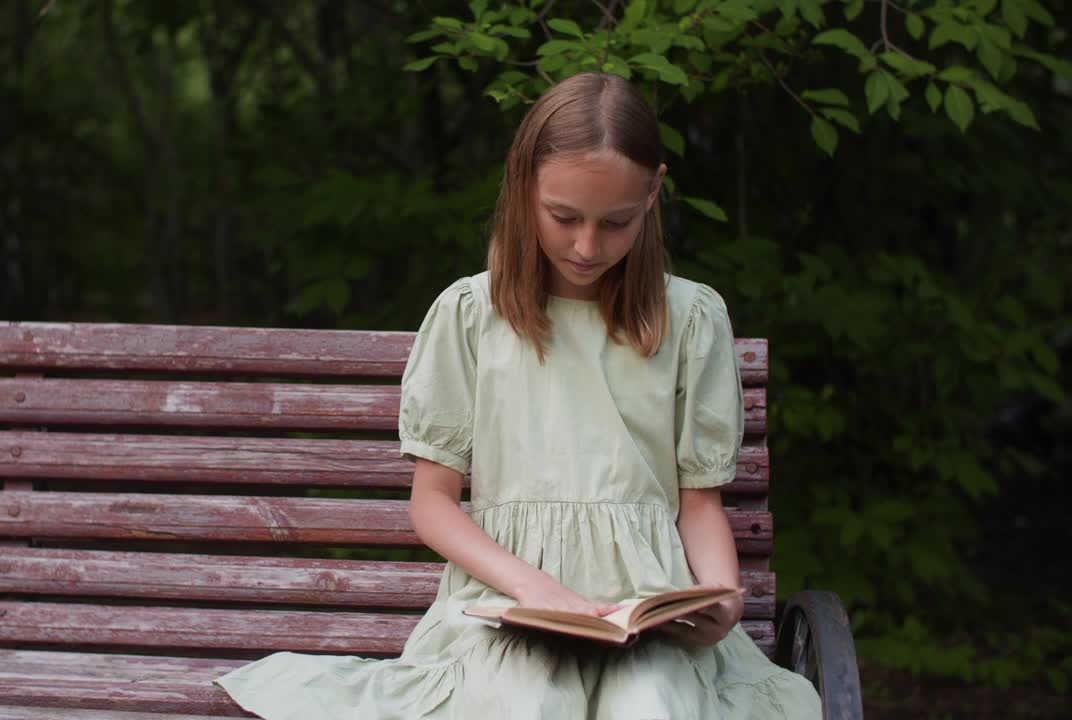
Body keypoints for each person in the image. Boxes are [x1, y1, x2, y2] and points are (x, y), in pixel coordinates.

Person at [215, 71, 822, 719]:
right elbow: (433, 503)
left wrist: (721, 595)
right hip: (509, 609)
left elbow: (699, 504)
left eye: (616, 223)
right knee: (529, 705)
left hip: (648, 611)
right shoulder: (472, 314)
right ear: (522, 183)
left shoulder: (690, 319)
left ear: (653, 193)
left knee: (652, 705)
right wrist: (538, 589)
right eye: (564, 217)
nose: (587, 246)